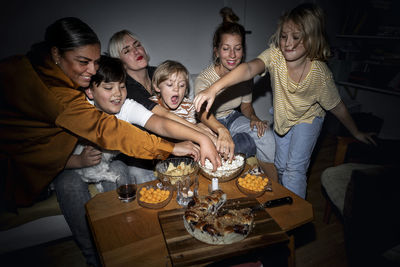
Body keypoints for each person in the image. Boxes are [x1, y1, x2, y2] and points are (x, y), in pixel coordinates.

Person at [0, 17, 220, 267]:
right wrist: (172, 147)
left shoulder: (92, 89)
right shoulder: (60, 95)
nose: (92, 70)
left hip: (99, 163)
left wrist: (200, 135)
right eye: (84, 62)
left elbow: (157, 122)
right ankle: (95, 257)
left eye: (95, 62)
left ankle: (128, 239)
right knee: (70, 186)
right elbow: (110, 132)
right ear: (56, 54)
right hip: (52, 167)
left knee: (122, 172)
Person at [193, 3, 376, 199]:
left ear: (312, 39)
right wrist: (213, 91)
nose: (288, 43)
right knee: (281, 166)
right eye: (284, 36)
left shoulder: (320, 75)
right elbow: (246, 71)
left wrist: (355, 131)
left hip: (308, 119)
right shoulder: (274, 56)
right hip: (278, 116)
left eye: (296, 37)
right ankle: (276, 192)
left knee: (294, 170)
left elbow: (338, 107)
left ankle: (292, 211)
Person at [108, 30, 233, 175]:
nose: (136, 51)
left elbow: (194, 107)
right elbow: (164, 117)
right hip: (149, 144)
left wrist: (220, 129)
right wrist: (202, 135)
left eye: (137, 45)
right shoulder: (126, 87)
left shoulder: (160, 72)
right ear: (119, 60)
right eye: (127, 50)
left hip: (177, 131)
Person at [194, 7, 278, 181]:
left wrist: (253, 117)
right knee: (220, 147)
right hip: (211, 121)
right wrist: (222, 130)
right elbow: (201, 114)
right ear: (216, 51)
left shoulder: (244, 74)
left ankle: (273, 185)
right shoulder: (204, 79)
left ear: (243, 50)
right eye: (226, 49)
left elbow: (245, 106)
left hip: (233, 117)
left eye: (238, 49)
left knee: (266, 136)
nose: (232, 55)